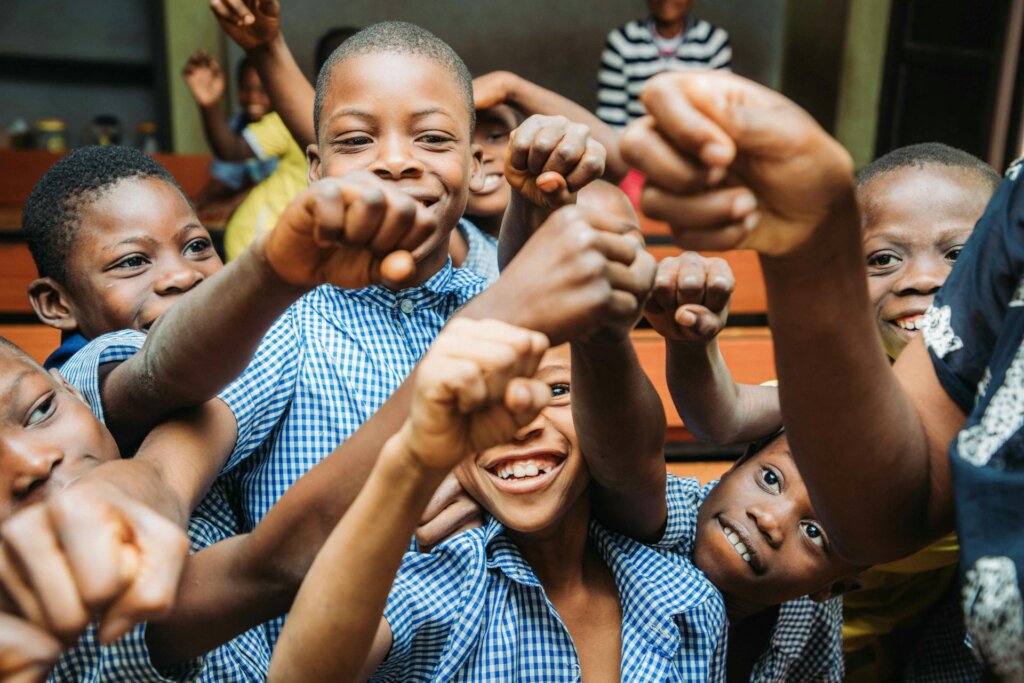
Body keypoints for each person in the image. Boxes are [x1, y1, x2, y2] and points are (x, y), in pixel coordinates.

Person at [619, 68, 1024, 679]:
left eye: (959, 258)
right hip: (805, 617)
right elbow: (723, 414)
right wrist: (691, 345)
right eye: (883, 258)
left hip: (903, 633)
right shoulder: (849, 392)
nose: (922, 279)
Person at [208, 1, 500, 280]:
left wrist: (510, 86)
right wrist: (266, 50)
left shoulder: (493, 271)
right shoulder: (297, 311)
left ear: (474, 165)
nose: (395, 161)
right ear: (316, 169)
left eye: (433, 138)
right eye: (357, 141)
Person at [597, 0, 731, 131]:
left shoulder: (713, 41)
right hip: (634, 143)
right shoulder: (621, 42)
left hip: (696, 143)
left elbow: (720, 116)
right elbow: (611, 121)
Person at [182, 51, 279, 225]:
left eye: (262, 90)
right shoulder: (238, 124)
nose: (253, 97)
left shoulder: (282, 126)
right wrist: (192, 206)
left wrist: (230, 205)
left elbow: (271, 183)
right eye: (245, 89)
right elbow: (223, 177)